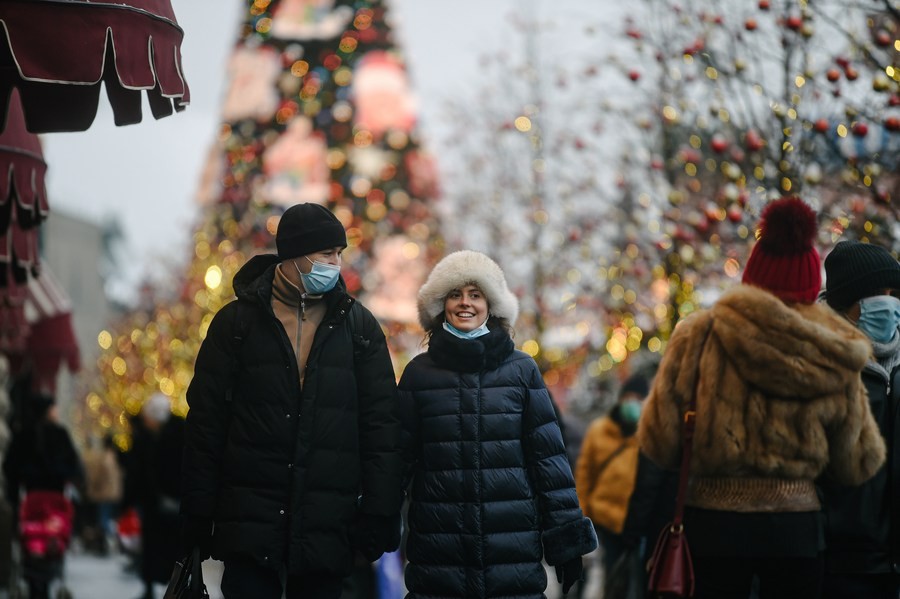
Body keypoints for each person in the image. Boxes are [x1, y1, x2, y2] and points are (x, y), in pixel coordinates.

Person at [637, 197, 886, 599]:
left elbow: (659, 442)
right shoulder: (837, 349)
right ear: (810, 282)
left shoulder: (699, 334)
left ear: (752, 276)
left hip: (712, 529)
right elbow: (858, 463)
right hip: (797, 535)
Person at [181, 202, 403, 599]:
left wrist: (380, 512)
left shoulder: (359, 328)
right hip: (250, 523)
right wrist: (198, 509)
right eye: (326, 254)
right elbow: (206, 423)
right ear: (295, 257)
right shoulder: (237, 324)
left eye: (339, 254)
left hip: (327, 526)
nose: (336, 264)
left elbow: (381, 425)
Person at [397, 250, 597, 598]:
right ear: (440, 305)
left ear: (491, 305)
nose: (465, 304)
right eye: (455, 295)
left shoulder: (522, 371)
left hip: (512, 560)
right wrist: (374, 522)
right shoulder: (419, 375)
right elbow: (394, 460)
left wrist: (566, 539)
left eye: (476, 295)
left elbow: (549, 463)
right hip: (439, 559)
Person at [819, 240, 900, 599]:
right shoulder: (820, 365)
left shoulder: (897, 367)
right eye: (877, 294)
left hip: (892, 566)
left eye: (893, 293)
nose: (890, 304)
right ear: (848, 304)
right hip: (840, 568)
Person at [3, 394, 82, 599]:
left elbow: (11, 467)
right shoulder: (60, 434)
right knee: (53, 536)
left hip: (32, 497)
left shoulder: (23, 435)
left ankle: (34, 579)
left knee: (30, 538)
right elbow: (74, 466)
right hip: (55, 499)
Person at [575, 374, 648, 576]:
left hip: (638, 523)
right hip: (605, 521)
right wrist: (582, 515)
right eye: (629, 397)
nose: (633, 403)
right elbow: (584, 477)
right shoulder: (599, 430)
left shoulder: (649, 434)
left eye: (639, 399)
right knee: (613, 577)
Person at [122, 393, 184, 599]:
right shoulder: (167, 434)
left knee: (161, 546)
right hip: (159, 500)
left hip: (165, 499)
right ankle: (163, 585)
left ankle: (165, 585)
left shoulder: (160, 436)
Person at [82, 433, 123, 555]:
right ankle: (110, 541)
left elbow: (98, 477)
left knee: (103, 518)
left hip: (105, 493)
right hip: (114, 493)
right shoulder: (114, 457)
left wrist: (93, 488)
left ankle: (108, 541)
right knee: (109, 517)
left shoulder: (104, 458)